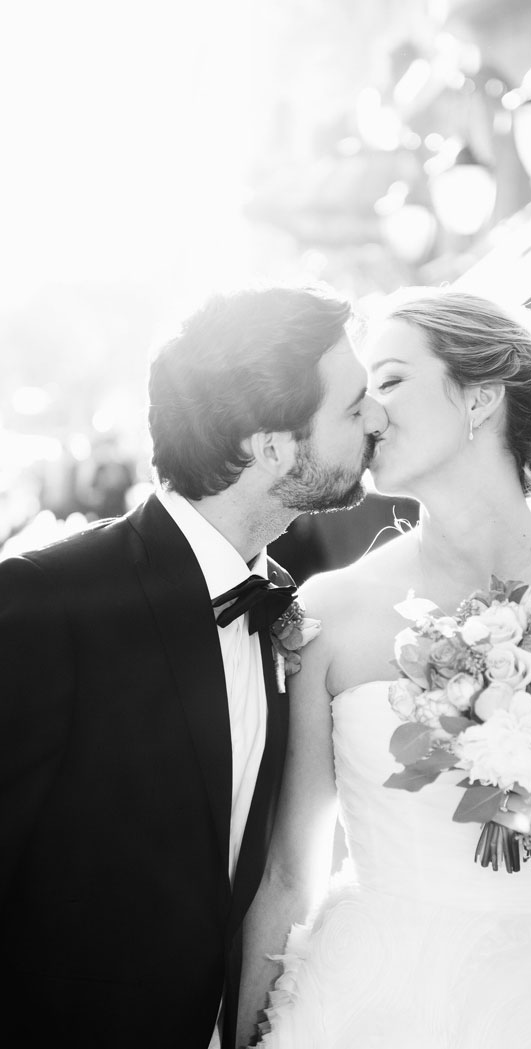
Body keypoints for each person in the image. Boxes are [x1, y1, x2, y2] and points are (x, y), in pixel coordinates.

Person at [237, 288, 531, 1049]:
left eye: (388, 380)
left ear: (480, 397)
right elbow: (291, 873)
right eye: (360, 392)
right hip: (378, 1000)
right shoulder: (332, 609)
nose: (370, 412)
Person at [0, 284, 387, 1049]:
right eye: (353, 405)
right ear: (270, 445)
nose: (377, 419)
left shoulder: (284, 609)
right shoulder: (46, 603)